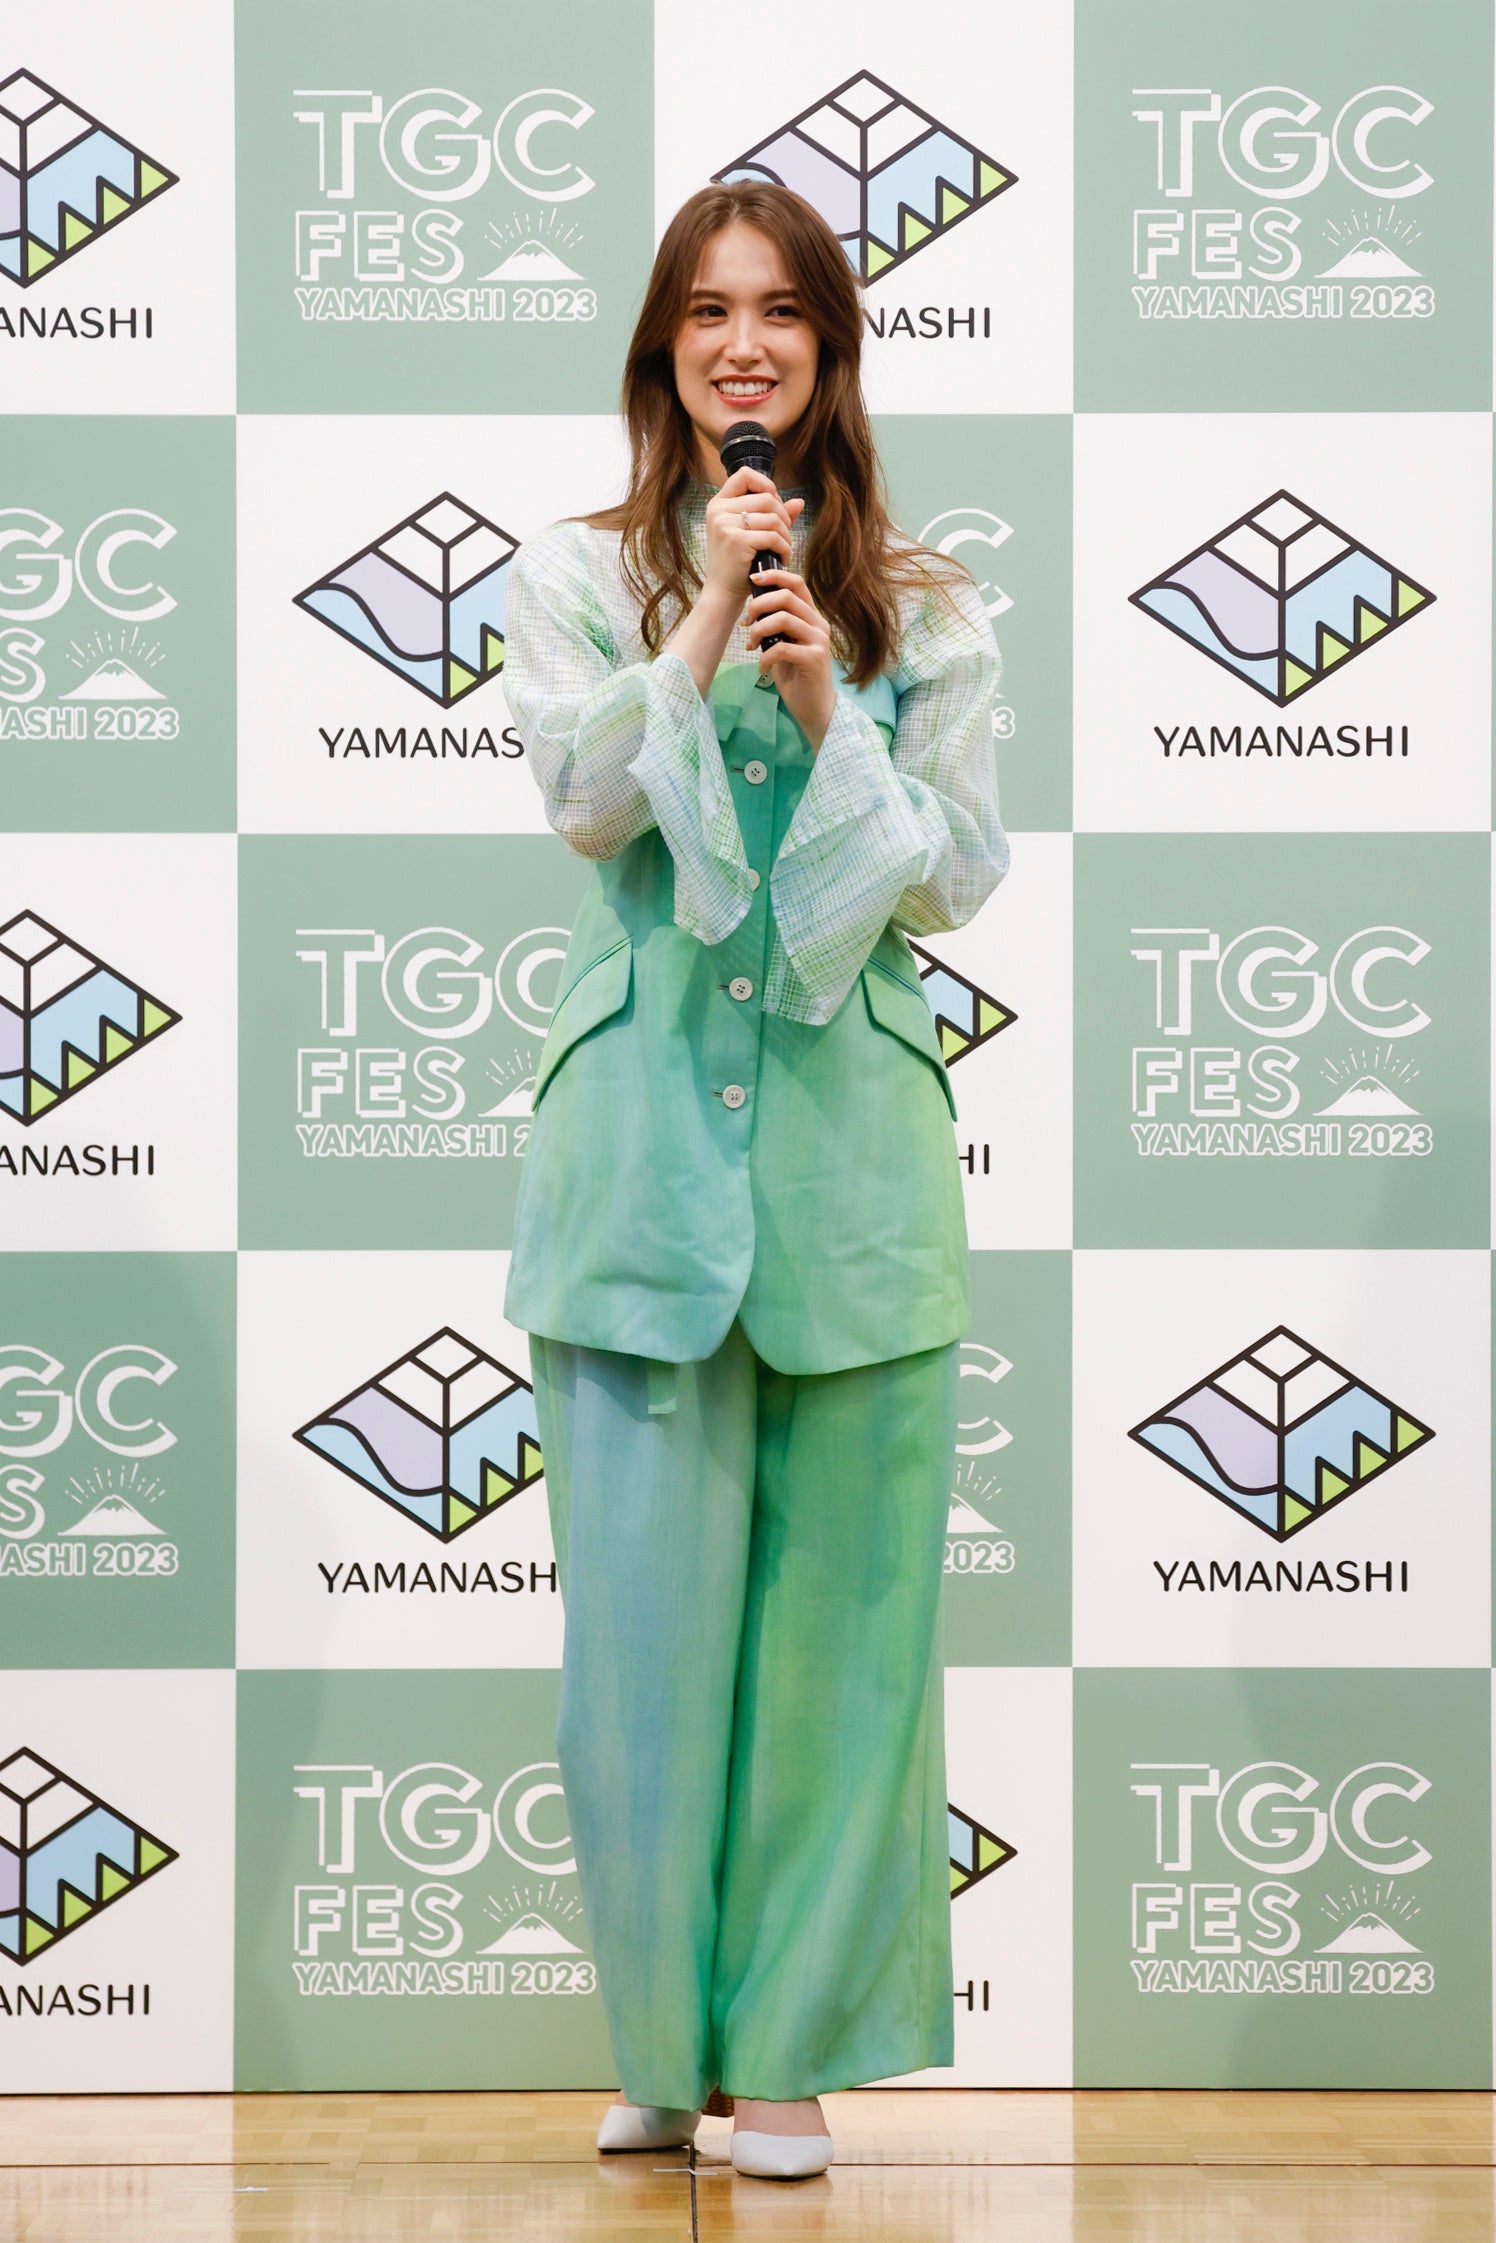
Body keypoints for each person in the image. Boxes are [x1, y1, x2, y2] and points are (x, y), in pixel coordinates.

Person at [500, 180, 1009, 2182]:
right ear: (663, 349)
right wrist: (705, 611)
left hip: (850, 1175)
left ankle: (783, 2053)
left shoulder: (926, 604)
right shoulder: (578, 571)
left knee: (839, 1650)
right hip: (635, 1171)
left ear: (828, 351)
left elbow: (953, 881)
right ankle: (662, 2041)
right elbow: (581, 804)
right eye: (709, 312)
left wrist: (819, 698)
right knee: (636, 1656)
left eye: (781, 312)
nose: (744, 346)